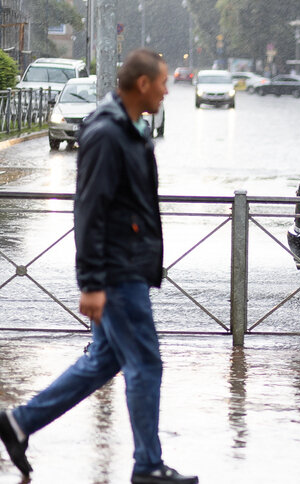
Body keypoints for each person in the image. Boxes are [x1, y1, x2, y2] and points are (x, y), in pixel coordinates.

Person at [0, 49, 198, 484]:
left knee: (103, 362)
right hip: (117, 272)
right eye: (163, 82)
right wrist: (91, 283)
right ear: (143, 84)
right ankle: (148, 465)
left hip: (125, 267)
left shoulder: (129, 128)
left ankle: (18, 423)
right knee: (145, 363)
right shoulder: (109, 133)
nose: (168, 89)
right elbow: (89, 210)